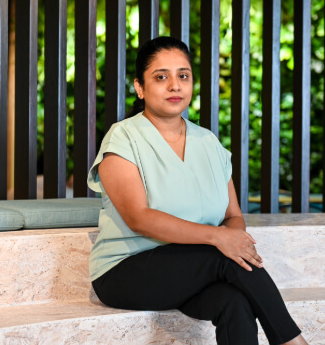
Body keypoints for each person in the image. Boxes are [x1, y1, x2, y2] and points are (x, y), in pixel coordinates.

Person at [87, 36, 307, 345]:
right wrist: (218, 238)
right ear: (140, 87)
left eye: (183, 76)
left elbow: (232, 216)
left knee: (234, 301)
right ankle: (294, 342)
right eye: (161, 77)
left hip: (191, 268)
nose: (175, 85)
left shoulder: (209, 142)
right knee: (224, 259)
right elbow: (139, 218)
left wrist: (230, 237)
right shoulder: (123, 138)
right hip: (126, 269)